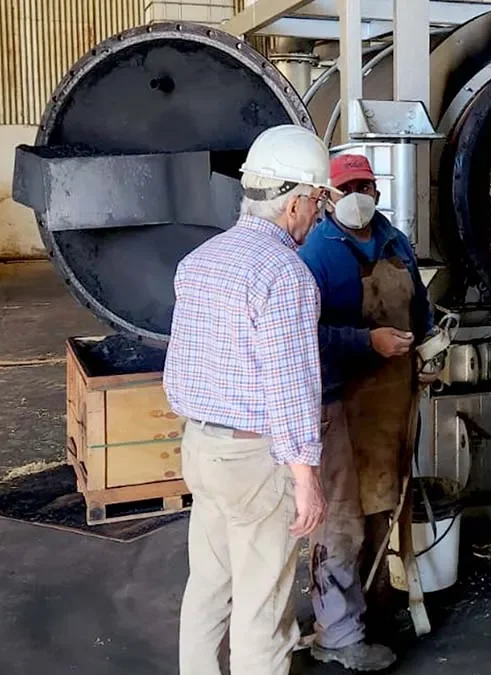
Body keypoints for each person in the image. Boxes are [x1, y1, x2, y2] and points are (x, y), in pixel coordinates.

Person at [164, 124, 336, 675]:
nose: (318, 215)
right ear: (295, 203)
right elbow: (291, 387)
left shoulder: (201, 260)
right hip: (255, 461)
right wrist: (306, 478)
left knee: (208, 588)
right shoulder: (285, 275)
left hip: (201, 448)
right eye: (318, 201)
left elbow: (180, 366)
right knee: (263, 611)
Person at [297, 153, 436, 671]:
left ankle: (371, 614)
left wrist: (427, 350)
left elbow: (419, 308)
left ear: (377, 190)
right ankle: (337, 632)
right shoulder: (315, 253)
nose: (358, 195)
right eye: (347, 187)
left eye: (365, 186)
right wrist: (366, 342)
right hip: (340, 402)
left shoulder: (394, 241)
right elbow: (303, 335)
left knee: (383, 508)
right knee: (340, 520)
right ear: (329, 196)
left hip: (392, 401)